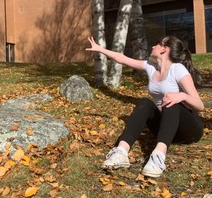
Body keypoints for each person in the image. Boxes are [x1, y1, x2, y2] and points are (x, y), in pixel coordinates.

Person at [86, 36, 204, 178]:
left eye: (156, 44)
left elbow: (200, 105)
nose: (153, 46)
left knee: (171, 101)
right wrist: (100, 49)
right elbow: (122, 59)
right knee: (144, 103)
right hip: (165, 129)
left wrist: (182, 96)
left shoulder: (178, 69)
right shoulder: (150, 67)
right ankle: (121, 152)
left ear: (164, 49)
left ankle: (158, 157)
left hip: (189, 131)